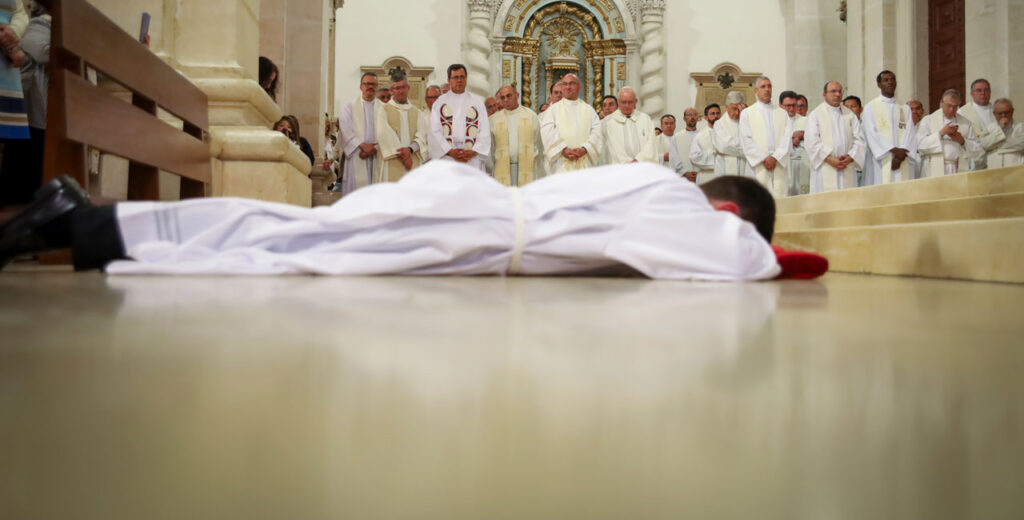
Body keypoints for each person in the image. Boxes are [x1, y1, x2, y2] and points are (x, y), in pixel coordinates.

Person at [0, 162, 785, 282]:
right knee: (296, 244)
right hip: (467, 220)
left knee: (297, 239)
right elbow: (741, 261)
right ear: (725, 210)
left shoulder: (652, 184)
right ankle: (93, 224)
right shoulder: (678, 203)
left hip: (467, 210)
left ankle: (99, 227)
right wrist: (786, 254)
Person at [0, 1, 47, 206]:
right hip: (39, 115)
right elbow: (41, 50)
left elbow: (19, 12)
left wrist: (14, 33)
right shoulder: (43, 24)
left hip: (6, 70)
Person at [804, 81, 865, 193]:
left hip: (847, 166)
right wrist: (829, 159)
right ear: (824, 95)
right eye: (833, 91)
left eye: (840, 91)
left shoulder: (849, 115)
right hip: (825, 167)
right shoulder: (815, 115)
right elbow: (811, 141)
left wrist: (850, 157)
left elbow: (859, 139)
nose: (837, 94)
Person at [428, 64, 490, 171]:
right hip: (447, 157)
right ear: (449, 80)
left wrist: (473, 151)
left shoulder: (477, 103)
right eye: (456, 77)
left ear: (466, 79)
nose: (459, 80)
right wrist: (450, 151)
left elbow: (484, 131)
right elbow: (434, 132)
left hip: (471, 159)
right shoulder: (439, 103)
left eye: (462, 77)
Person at [739, 76, 793, 198]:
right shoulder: (747, 113)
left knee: (780, 199)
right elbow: (746, 140)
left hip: (778, 163)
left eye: (769, 86)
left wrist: (775, 157)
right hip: (758, 165)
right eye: (763, 87)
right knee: (757, 200)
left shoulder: (782, 113)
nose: (767, 89)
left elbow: (787, 139)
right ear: (756, 91)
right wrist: (764, 158)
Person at [861, 70, 916, 185]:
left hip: (903, 159)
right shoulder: (871, 107)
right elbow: (872, 133)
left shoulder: (904, 108)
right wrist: (894, 151)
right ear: (879, 85)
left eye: (892, 80)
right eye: (886, 80)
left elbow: (909, 132)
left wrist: (900, 155)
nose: (890, 82)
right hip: (882, 160)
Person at [539, 73, 602, 173]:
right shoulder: (553, 110)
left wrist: (585, 149)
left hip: (584, 161)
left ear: (579, 87)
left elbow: (597, 132)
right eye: (565, 84)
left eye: (572, 84)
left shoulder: (588, 109)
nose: (568, 87)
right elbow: (547, 132)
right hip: (560, 162)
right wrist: (563, 149)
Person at [338, 72, 386, 194]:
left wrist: (375, 148)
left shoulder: (385, 108)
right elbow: (345, 130)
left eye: (374, 84)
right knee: (356, 195)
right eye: (367, 84)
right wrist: (363, 146)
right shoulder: (349, 107)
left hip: (378, 156)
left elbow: (388, 132)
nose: (370, 87)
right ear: (361, 86)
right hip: (357, 155)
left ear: (377, 87)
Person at [917, 89, 982, 177]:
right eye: (949, 105)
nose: (952, 110)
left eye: (955, 106)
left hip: (958, 169)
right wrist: (941, 133)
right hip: (935, 169)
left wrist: (962, 141)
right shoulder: (928, 120)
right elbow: (920, 146)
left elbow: (977, 149)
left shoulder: (965, 123)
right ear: (941, 102)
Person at [489, 84, 545, 186]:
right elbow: (492, 147)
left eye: (509, 96)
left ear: (517, 95)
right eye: (502, 97)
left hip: (527, 169)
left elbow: (538, 144)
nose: (506, 99)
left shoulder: (531, 116)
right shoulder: (493, 120)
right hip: (502, 169)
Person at [377, 73, 425, 182]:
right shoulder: (383, 110)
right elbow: (383, 133)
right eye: (397, 88)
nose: (401, 91)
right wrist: (405, 156)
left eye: (403, 87)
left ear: (408, 88)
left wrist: (410, 150)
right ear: (392, 90)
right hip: (392, 161)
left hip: (413, 159)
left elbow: (422, 135)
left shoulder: (417, 112)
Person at [958, 79, 1007, 171]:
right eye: (979, 90)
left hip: (998, 158)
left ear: (990, 92)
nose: (983, 93)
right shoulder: (962, 113)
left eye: (986, 90)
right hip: (976, 161)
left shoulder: (999, 111)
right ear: (972, 94)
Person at [601, 87, 657, 165]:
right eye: (623, 102)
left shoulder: (645, 119)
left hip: (643, 166)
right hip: (620, 169)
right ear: (618, 102)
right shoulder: (608, 122)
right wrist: (627, 162)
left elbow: (651, 143)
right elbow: (612, 148)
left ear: (635, 102)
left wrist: (639, 160)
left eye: (630, 102)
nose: (627, 106)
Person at [779, 90, 809, 195]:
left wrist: (803, 134)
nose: (791, 109)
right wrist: (792, 137)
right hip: (784, 163)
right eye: (788, 106)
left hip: (802, 163)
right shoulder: (776, 121)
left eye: (794, 105)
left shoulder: (806, 120)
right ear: (780, 105)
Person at [714, 91, 747, 176]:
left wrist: (745, 117)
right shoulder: (719, 124)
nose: (737, 112)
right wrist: (746, 150)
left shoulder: (748, 122)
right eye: (733, 108)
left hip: (745, 170)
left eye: (739, 109)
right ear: (726, 107)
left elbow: (755, 143)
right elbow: (724, 146)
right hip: (724, 171)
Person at [690, 104, 722, 181]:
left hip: (724, 175)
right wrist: (715, 154)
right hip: (707, 176)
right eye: (712, 114)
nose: (716, 116)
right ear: (705, 117)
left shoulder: (727, 132)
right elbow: (694, 157)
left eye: (718, 113)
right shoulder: (700, 136)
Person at [988, 98, 1024, 168]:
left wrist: (995, 145)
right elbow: (984, 146)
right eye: (1000, 113)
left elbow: (1021, 145)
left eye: (1006, 112)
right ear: (994, 114)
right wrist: (1000, 129)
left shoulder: (1021, 127)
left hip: (1015, 169)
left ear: (1012, 111)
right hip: (994, 170)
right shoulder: (989, 128)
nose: (1003, 115)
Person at [908, 100, 926, 178]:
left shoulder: (927, 125)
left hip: (923, 160)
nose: (914, 111)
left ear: (922, 111)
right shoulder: (902, 128)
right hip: (908, 160)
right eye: (911, 109)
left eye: (917, 109)